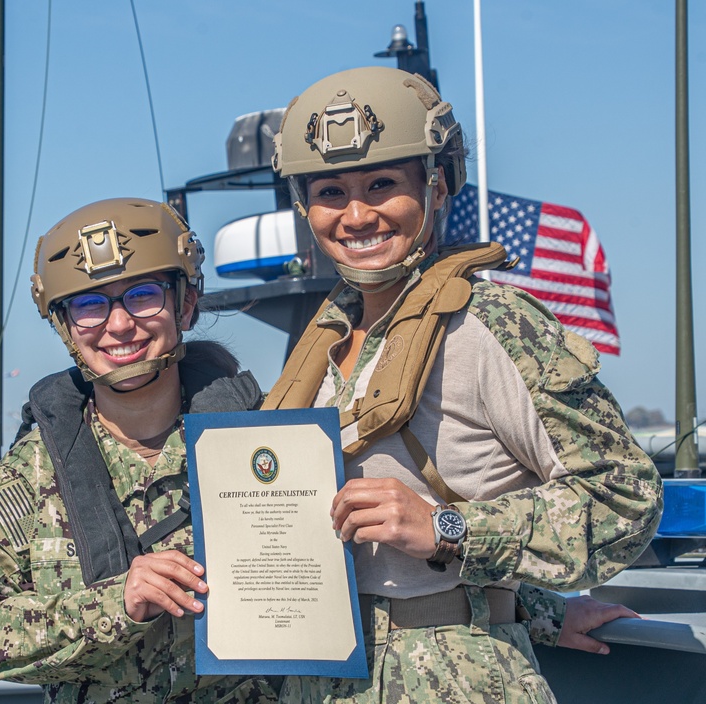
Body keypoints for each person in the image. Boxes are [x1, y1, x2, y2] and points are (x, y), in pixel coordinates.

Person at [264, 66, 662, 702]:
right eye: (331, 192)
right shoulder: (323, 341)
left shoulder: (490, 324)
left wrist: (451, 528)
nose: (357, 214)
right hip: (323, 678)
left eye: (383, 184)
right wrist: (542, 608)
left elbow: (624, 499)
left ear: (437, 184)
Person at [0, 198, 278, 703]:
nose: (119, 326)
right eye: (90, 304)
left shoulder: (270, 441)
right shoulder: (26, 482)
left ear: (184, 305)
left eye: (143, 295)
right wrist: (114, 605)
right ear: (66, 327)